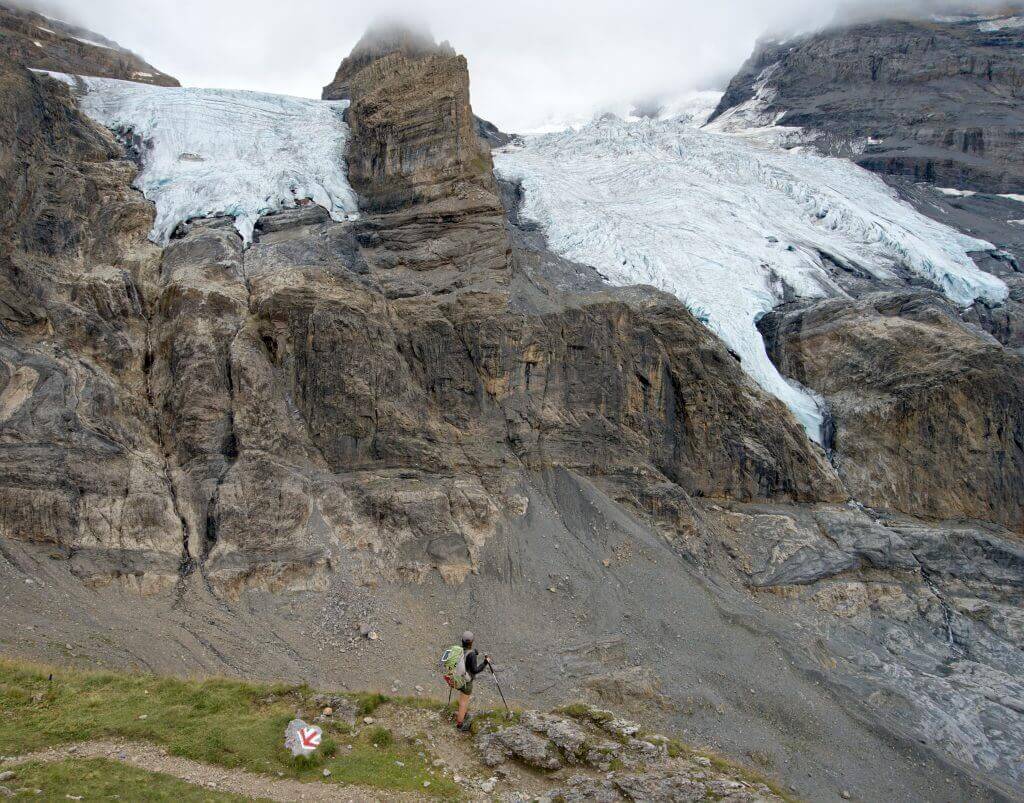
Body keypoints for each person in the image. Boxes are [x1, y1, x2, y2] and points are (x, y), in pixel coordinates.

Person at [455, 630, 489, 731]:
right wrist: (485, 663)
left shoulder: (459, 650)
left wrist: (474, 653)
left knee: (462, 700)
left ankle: (460, 714)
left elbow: (465, 658)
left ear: (462, 641)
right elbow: (475, 670)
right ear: (472, 641)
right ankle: (460, 724)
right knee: (463, 703)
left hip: (458, 679)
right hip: (466, 681)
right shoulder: (472, 655)